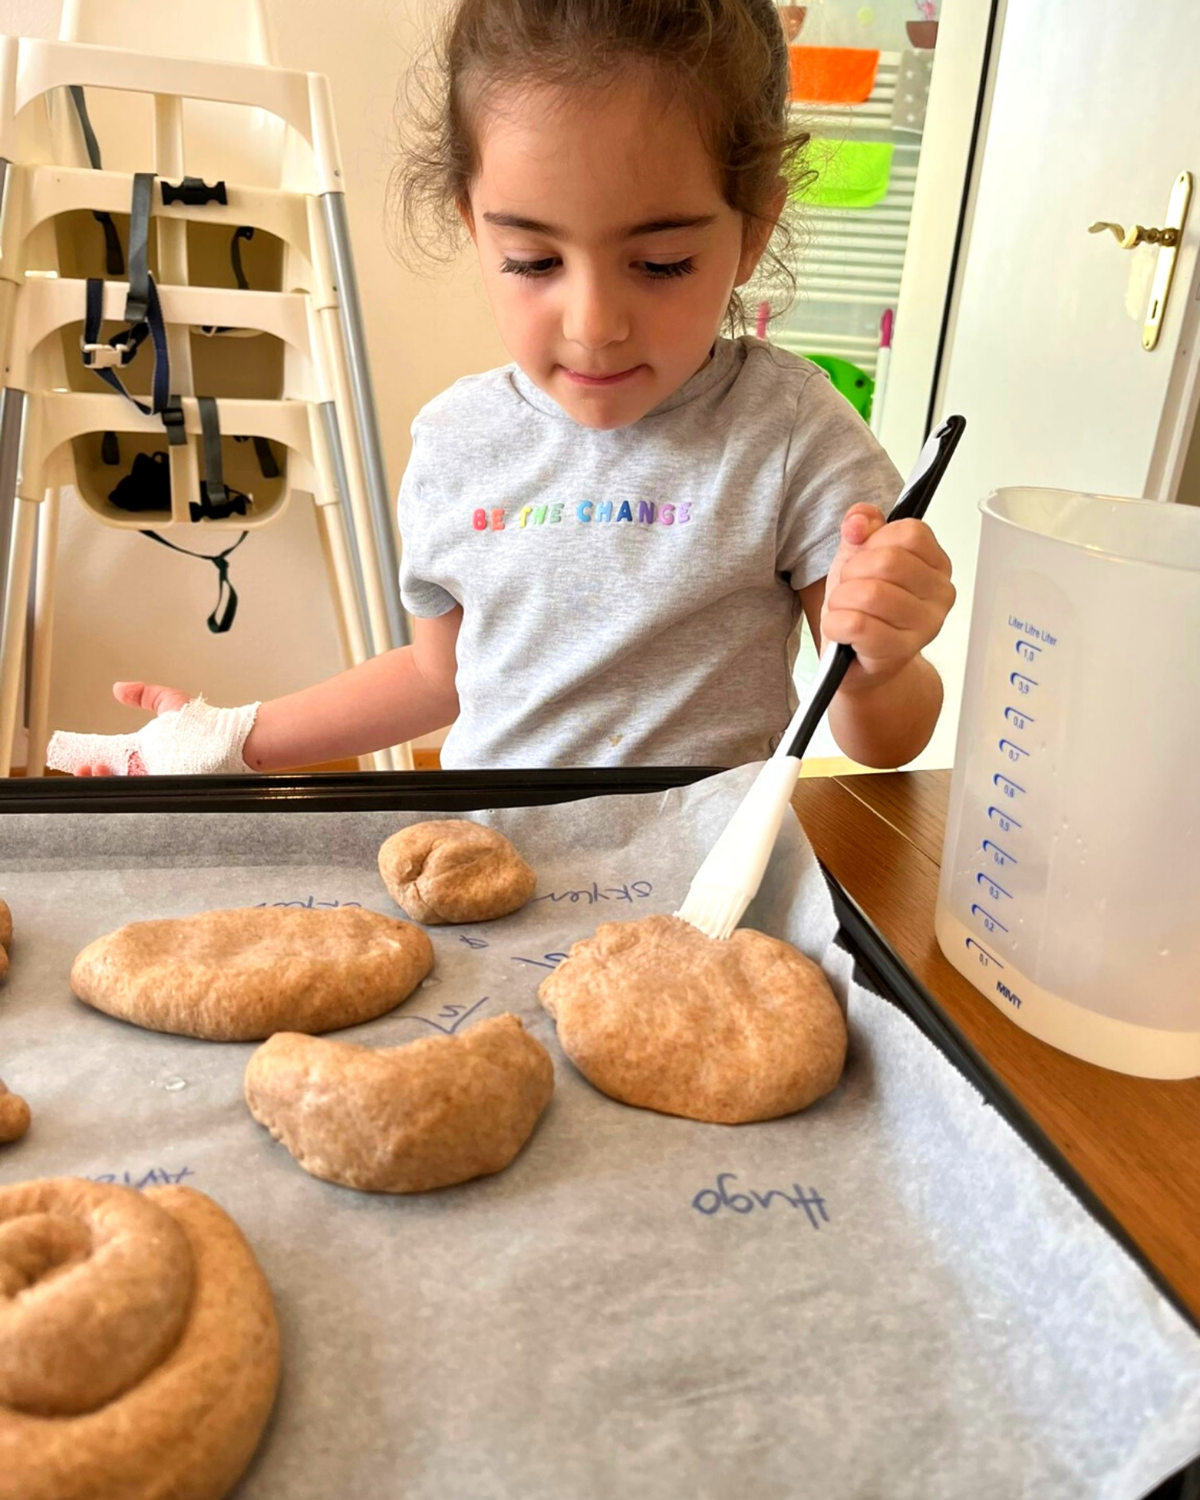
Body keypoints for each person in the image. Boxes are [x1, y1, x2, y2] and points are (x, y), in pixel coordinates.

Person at [48, 0, 954, 779]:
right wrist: (231, 736)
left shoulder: (790, 433)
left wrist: (877, 665)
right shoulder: (456, 439)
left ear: (753, 229)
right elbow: (434, 679)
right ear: (472, 227)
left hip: (690, 891)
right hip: (486, 867)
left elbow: (883, 741)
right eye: (533, 260)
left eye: (663, 262)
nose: (594, 322)